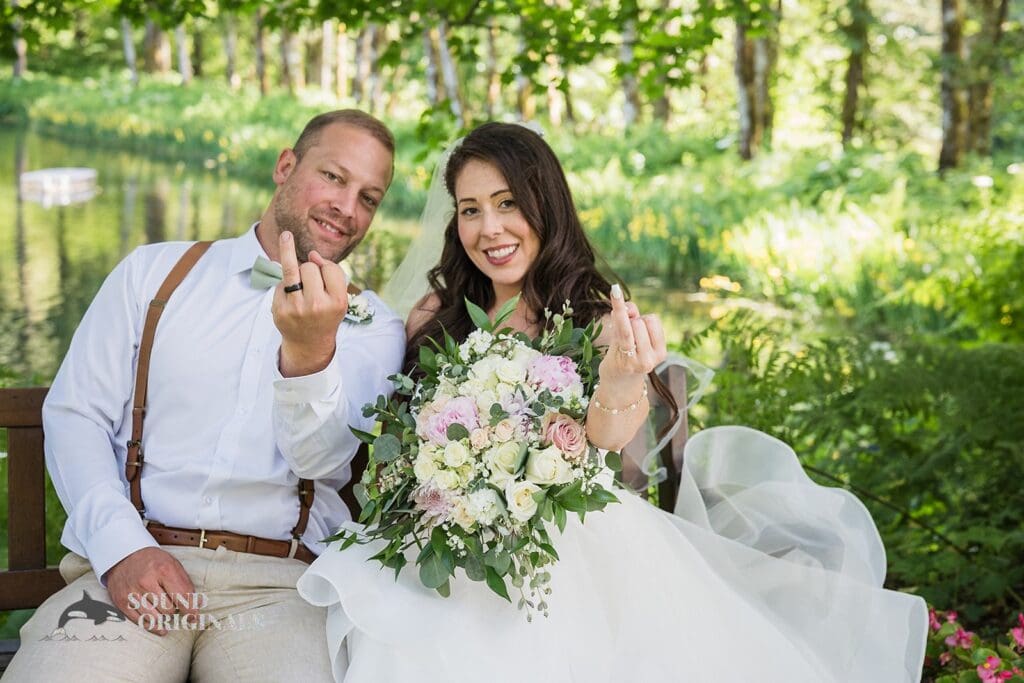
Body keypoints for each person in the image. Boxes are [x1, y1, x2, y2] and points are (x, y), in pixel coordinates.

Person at [298, 122, 929, 682]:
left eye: (508, 203)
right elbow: (400, 436)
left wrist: (623, 380)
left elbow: (603, 438)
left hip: (563, 546)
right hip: (440, 540)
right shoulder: (436, 315)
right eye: (469, 210)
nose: (488, 229)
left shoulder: (595, 317)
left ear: (546, 203)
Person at [5, 110, 405, 681]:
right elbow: (76, 417)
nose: (349, 207)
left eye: (370, 196)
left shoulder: (371, 325)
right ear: (285, 166)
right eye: (334, 177)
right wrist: (121, 550)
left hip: (283, 588)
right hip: (133, 560)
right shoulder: (151, 275)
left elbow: (322, 460)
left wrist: (310, 353)